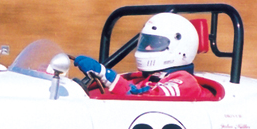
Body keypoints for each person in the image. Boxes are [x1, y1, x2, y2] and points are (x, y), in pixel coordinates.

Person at [74, 12, 206, 99]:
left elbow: (145, 97)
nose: (147, 47)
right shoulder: (143, 78)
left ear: (180, 48)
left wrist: (105, 74)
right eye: (146, 42)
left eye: (156, 43)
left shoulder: (185, 83)